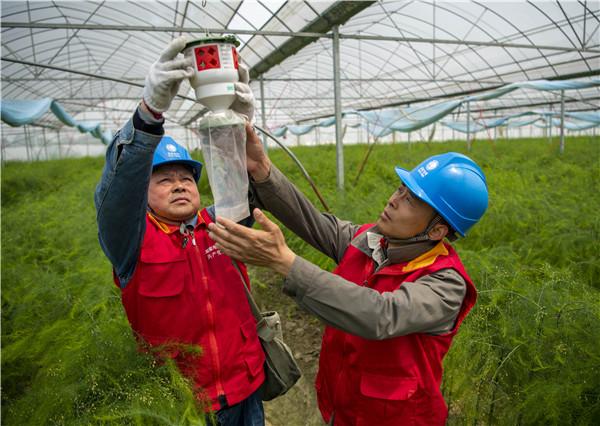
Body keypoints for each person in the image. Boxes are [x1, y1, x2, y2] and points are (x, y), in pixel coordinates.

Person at [207, 122, 489, 425]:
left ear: (437, 230)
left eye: (410, 200)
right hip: (342, 408)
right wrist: (263, 170)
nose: (393, 199)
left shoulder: (445, 284)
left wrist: (285, 262)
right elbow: (314, 223)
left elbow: (380, 315)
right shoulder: (372, 240)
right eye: (400, 189)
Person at [94, 36, 265, 426]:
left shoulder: (223, 225)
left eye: (187, 177)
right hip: (181, 404)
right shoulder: (132, 242)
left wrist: (236, 127)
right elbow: (116, 194)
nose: (179, 184)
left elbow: (245, 185)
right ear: (143, 192)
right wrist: (149, 113)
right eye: (164, 179)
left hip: (246, 385)